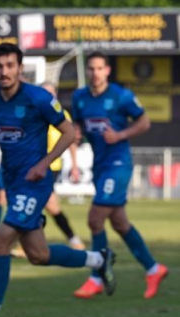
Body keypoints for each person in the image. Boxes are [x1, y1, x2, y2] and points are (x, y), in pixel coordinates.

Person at [0, 43, 116, 317]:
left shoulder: (38, 98)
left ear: (20, 68)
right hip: (14, 181)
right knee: (38, 255)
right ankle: (99, 259)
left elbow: (69, 132)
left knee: (0, 244)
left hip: (37, 182)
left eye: (9, 65)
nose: (4, 71)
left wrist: (45, 163)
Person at [71, 52, 169, 299]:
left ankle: (96, 276)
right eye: (91, 69)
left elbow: (144, 122)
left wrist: (120, 135)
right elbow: (77, 128)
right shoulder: (80, 97)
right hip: (99, 165)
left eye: (99, 68)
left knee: (95, 219)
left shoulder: (121, 96)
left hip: (118, 164)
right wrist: (75, 141)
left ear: (107, 71)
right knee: (120, 224)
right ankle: (153, 268)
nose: (95, 73)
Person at [0, 83, 84, 257]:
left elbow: (69, 137)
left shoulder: (59, 114)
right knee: (38, 254)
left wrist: (71, 165)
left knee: (4, 241)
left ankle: (72, 239)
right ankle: (95, 258)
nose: (47, 96)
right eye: (44, 92)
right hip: (16, 169)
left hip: (47, 168)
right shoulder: (23, 107)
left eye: (50, 93)